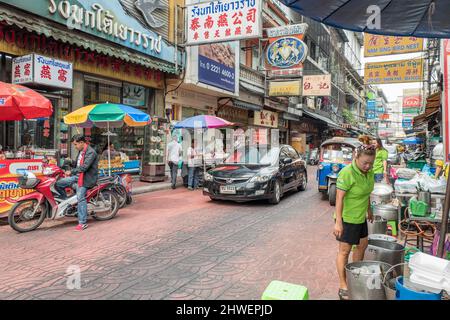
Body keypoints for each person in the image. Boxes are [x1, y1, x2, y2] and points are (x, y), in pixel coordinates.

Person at [334, 140, 375, 300]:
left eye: (371, 163)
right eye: (365, 163)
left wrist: (369, 210)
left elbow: (366, 193)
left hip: (361, 217)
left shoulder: (369, 172)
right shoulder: (347, 173)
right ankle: (343, 284)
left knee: (362, 245)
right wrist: (338, 222)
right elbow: (339, 198)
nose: (368, 166)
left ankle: (355, 274)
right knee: (344, 251)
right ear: (356, 157)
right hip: (347, 218)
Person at [55, 135, 99, 231]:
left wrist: (71, 171)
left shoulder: (91, 152)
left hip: (87, 178)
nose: (75, 147)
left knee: (80, 198)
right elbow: (78, 165)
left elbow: (84, 167)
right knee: (58, 184)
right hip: (78, 177)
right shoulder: (81, 151)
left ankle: (82, 222)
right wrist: (71, 162)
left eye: (75, 144)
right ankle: (68, 203)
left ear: (81, 143)